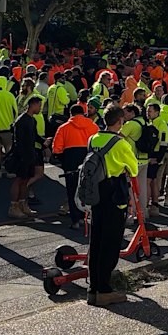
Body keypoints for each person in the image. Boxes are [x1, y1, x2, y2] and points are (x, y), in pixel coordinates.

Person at [87, 105, 138, 307]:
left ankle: (93, 288)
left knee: (96, 240)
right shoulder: (120, 143)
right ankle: (105, 289)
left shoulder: (93, 138)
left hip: (95, 193)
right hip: (113, 193)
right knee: (111, 242)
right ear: (119, 122)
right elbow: (133, 168)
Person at [52, 104, 99, 228]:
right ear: (83, 113)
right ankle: (86, 217)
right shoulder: (93, 126)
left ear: (71, 114)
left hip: (71, 161)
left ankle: (75, 220)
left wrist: (62, 159)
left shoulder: (63, 128)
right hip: (89, 160)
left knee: (72, 191)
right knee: (87, 189)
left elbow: (56, 149)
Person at [6, 96, 46, 219]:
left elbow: (34, 136)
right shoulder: (21, 120)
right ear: (33, 105)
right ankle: (13, 207)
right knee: (19, 180)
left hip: (30, 155)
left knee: (25, 181)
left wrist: (44, 142)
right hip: (22, 156)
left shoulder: (32, 120)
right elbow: (19, 141)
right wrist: (23, 157)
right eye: (39, 105)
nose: (40, 108)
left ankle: (23, 204)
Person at [121, 104, 149, 221]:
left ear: (132, 113)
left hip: (133, 161)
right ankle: (143, 214)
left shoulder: (130, 125)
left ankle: (130, 216)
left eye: (125, 113)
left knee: (130, 190)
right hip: (144, 159)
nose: (123, 116)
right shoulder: (144, 122)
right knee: (142, 189)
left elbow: (117, 137)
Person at [146, 103, 168, 217]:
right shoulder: (151, 122)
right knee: (153, 180)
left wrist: (158, 158)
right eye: (147, 111)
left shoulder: (161, 124)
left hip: (155, 155)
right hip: (152, 155)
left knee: (149, 180)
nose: (147, 113)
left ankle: (149, 205)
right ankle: (154, 204)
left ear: (157, 112)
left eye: (150, 111)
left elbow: (164, 144)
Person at [0, 75, 18, 178]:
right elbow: (15, 111)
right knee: (8, 149)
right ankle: (10, 170)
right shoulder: (9, 96)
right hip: (7, 127)